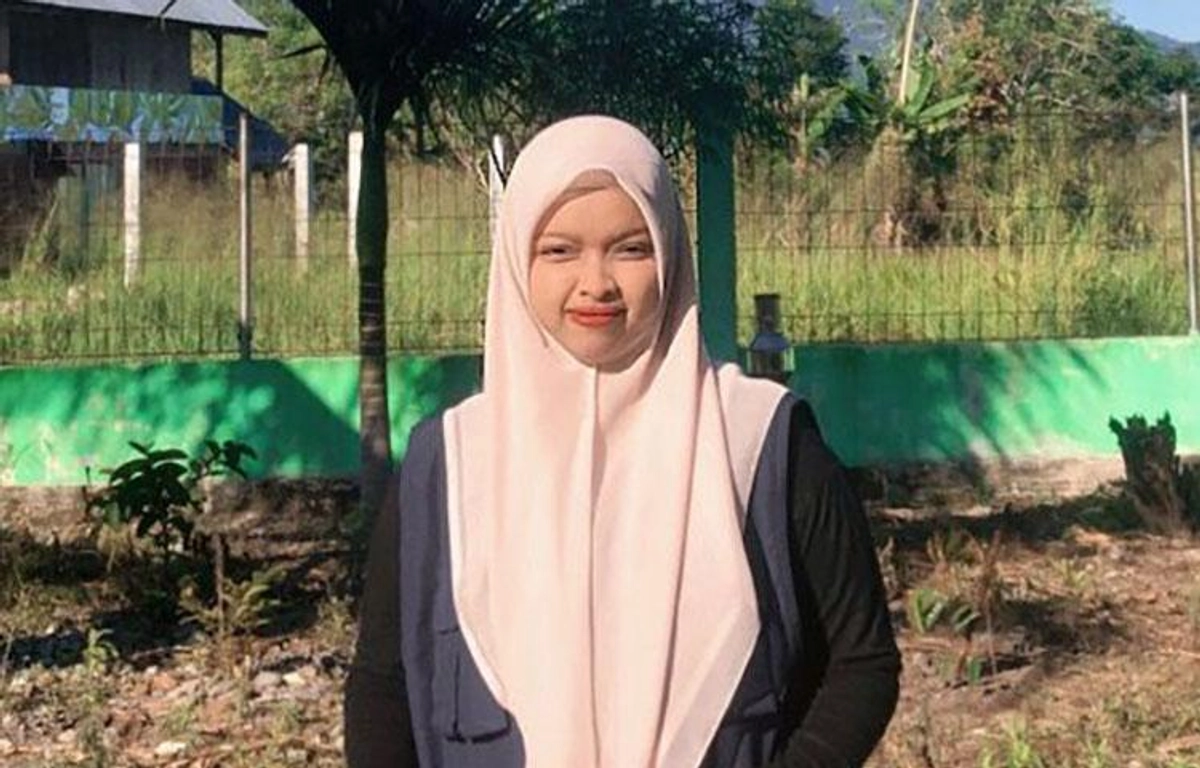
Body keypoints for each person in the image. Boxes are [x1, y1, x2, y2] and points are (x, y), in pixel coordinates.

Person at [344, 115, 900, 768]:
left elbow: (862, 663)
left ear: (670, 252)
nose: (596, 283)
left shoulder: (761, 442)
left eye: (631, 248)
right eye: (559, 251)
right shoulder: (450, 464)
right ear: (516, 260)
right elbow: (382, 685)